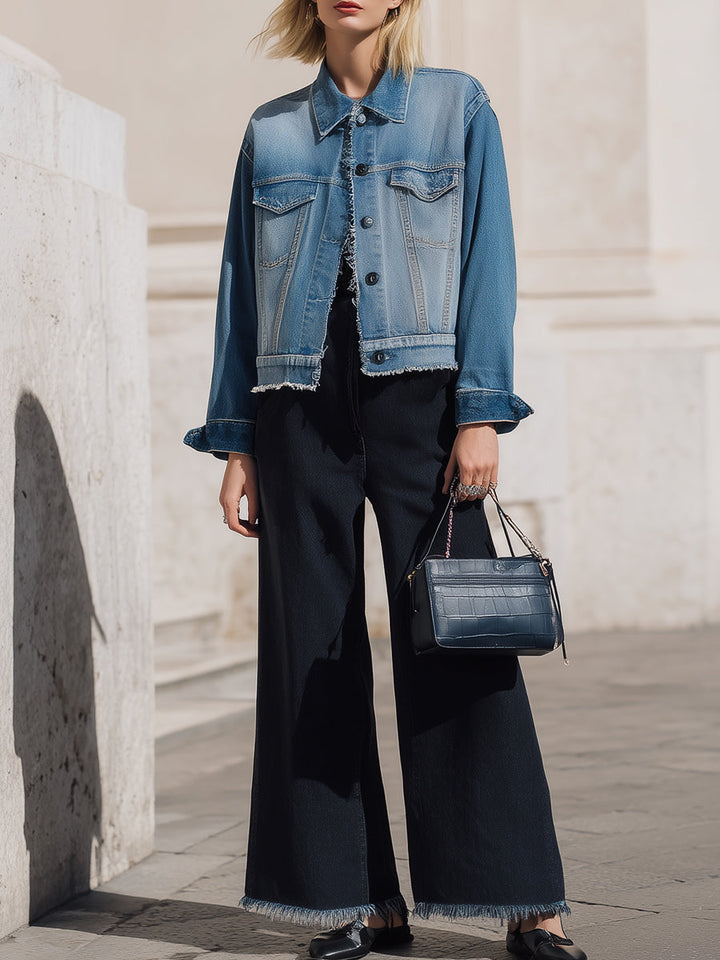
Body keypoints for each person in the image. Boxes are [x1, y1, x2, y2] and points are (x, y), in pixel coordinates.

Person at [183, 2, 588, 959]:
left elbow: (489, 259)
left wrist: (480, 409)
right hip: (298, 406)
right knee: (309, 650)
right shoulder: (273, 131)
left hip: (424, 404)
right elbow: (241, 290)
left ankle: (527, 901)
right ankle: (357, 900)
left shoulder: (457, 107)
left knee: (460, 641)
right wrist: (238, 439)